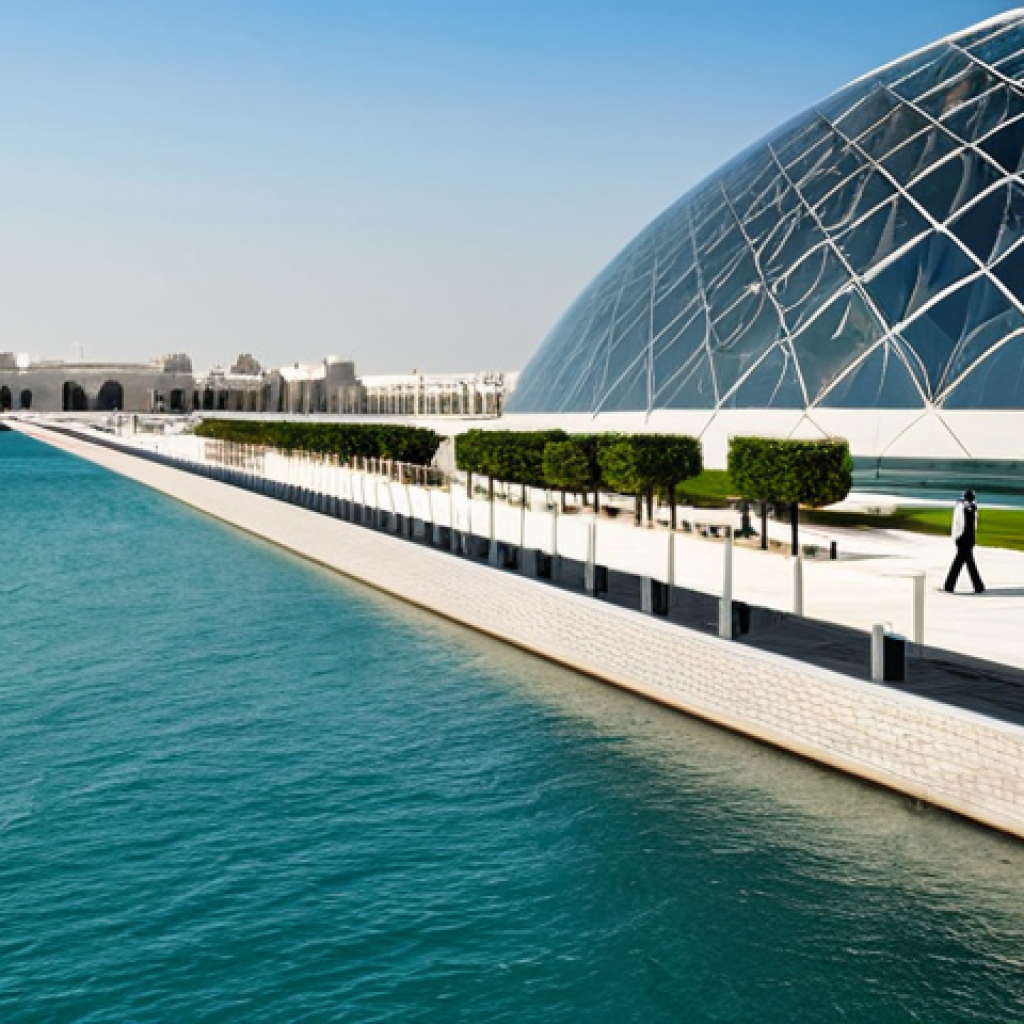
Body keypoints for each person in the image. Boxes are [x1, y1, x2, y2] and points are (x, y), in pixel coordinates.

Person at [944, 488, 985, 594]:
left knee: (963, 562)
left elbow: (974, 522)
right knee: (966, 562)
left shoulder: (974, 507)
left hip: (970, 537)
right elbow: (956, 523)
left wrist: (973, 537)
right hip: (962, 537)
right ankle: (978, 586)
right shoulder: (960, 506)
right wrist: (957, 537)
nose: (971, 499)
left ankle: (949, 585)